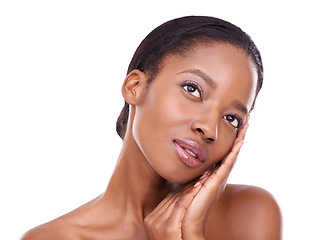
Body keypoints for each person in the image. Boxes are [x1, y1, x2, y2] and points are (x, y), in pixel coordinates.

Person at [21, 16, 282, 239]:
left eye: (232, 118)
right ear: (135, 87)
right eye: (192, 89)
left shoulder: (250, 214)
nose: (209, 128)